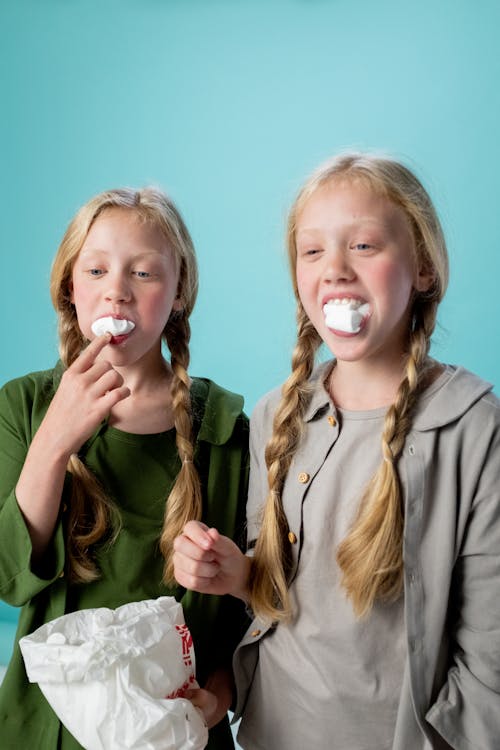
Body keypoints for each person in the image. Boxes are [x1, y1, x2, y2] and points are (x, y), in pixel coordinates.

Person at [173, 153, 500, 749]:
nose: (336, 271)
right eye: (313, 251)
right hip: (278, 733)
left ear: (424, 268)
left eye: (365, 246)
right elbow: (280, 597)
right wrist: (236, 573)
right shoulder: (278, 414)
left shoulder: (472, 426)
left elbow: (492, 654)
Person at [0, 187, 249, 749]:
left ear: (179, 290)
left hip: (175, 729)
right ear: (71, 289)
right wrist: (54, 441)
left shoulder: (228, 429)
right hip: (47, 730)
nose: (116, 291)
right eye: (96, 270)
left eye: (143, 274)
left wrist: (217, 703)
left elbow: (249, 614)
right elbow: (9, 578)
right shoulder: (23, 406)